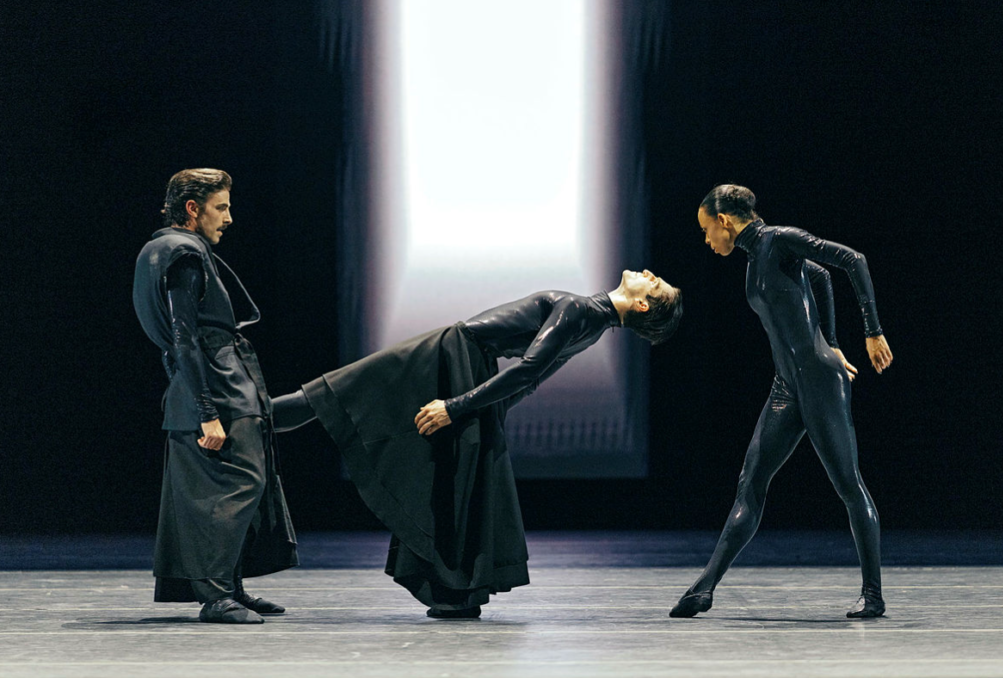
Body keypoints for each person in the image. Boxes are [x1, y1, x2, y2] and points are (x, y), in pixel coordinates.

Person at [272, 271, 684, 618]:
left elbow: (528, 372)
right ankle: (455, 590)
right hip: (466, 363)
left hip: (452, 354)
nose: (651, 275)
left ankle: (249, 419)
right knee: (356, 403)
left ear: (641, 305)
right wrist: (487, 415)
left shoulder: (579, 310)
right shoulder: (592, 326)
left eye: (655, 285)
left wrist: (457, 407)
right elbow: (531, 378)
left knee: (339, 392)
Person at [670, 185, 893, 620]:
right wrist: (830, 338)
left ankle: (874, 595)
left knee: (849, 486)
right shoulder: (755, 260)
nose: (706, 239)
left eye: (706, 229)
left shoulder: (779, 239)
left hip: (820, 383)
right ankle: (704, 588)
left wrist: (870, 331)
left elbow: (853, 260)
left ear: (724, 221)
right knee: (750, 483)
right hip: (786, 387)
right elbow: (820, 278)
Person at [133, 169, 298, 624]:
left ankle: (231, 587)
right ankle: (215, 594)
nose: (228, 218)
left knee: (245, 487)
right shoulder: (182, 253)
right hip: (218, 386)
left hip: (217, 382)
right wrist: (206, 410)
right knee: (237, 487)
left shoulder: (162, 251)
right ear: (193, 208)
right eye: (221, 207)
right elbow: (183, 338)